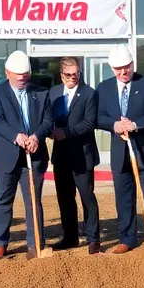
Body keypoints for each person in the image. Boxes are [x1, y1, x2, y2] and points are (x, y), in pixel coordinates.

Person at [0, 51, 55, 259]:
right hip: (6, 155)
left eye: (25, 74)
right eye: (18, 74)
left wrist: (36, 137)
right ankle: (0, 243)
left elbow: (47, 121)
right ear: (7, 72)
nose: (22, 77)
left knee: (34, 201)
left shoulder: (41, 93)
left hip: (34, 156)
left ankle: (36, 243)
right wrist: (17, 136)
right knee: (3, 200)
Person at [96, 44, 144, 254]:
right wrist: (114, 125)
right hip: (120, 152)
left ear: (133, 63)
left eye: (126, 67)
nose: (123, 72)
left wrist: (134, 124)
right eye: (118, 68)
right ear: (111, 68)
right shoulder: (104, 87)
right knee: (123, 197)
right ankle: (127, 238)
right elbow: (98, 117)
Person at [50, 56, 101, 254]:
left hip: (82, 154)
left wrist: (66, 132)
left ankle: (93, 238)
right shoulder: (53, 93)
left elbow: (90, 122)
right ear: (61, 75)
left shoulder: (89, 94)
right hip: (61, 155)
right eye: (69, 75)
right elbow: (47, 118)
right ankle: (69, 236)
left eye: (76, 74)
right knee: (64, 197)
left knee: (87, 196)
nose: (73, 78)